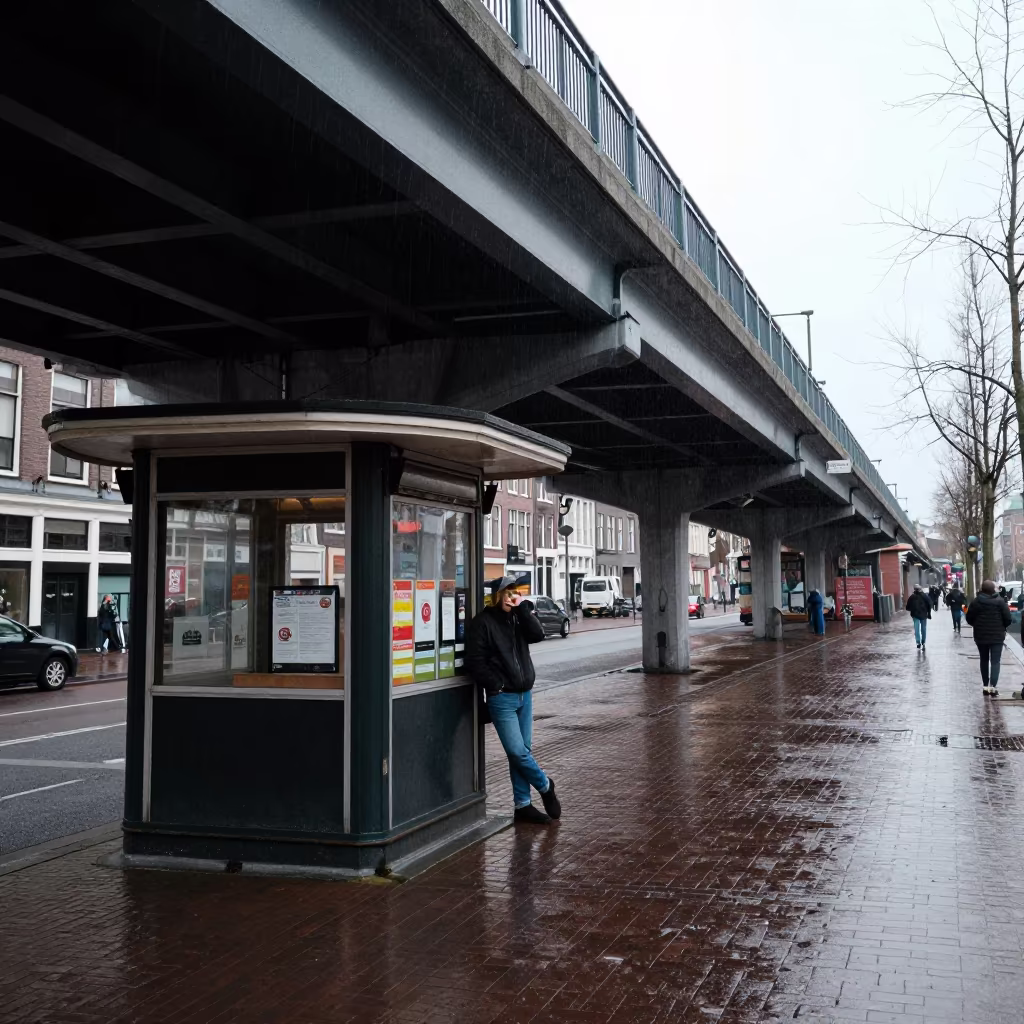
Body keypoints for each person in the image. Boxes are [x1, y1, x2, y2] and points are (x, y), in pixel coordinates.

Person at [466, 576, 561, 825]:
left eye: (514, 593)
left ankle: (523, 805)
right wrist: (495, 685)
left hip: (524, 695)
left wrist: (523, 610)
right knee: (517, 752)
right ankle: (545, 785)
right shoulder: (483, 623)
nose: (511, 597)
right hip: (502, 698)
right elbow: (475, 661)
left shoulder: (518, 619)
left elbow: (538, 635)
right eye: (507, 593)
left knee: (522, 752)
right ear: (497, 596)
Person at [966, 580, 1013, 697]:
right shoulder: (1000, 602)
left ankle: (985, 686)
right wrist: (1002, 627)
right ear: (993, 590)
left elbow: (969, 618)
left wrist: (977, 626)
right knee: (995, 661)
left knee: (984, 659)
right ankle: (993, 686)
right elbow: (1008, 618)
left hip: (980, 636)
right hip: (997, 636)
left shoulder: (976, 602)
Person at [906, 584, 931, 650]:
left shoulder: (912, 597)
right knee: (923, 629)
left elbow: (907, 607)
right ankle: (923, 642)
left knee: (916, 629)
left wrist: (912, 610)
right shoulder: (925, 596)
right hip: (923, 615)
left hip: (915, 615)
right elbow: (929, 604)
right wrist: (928, 613)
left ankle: (918, 642)